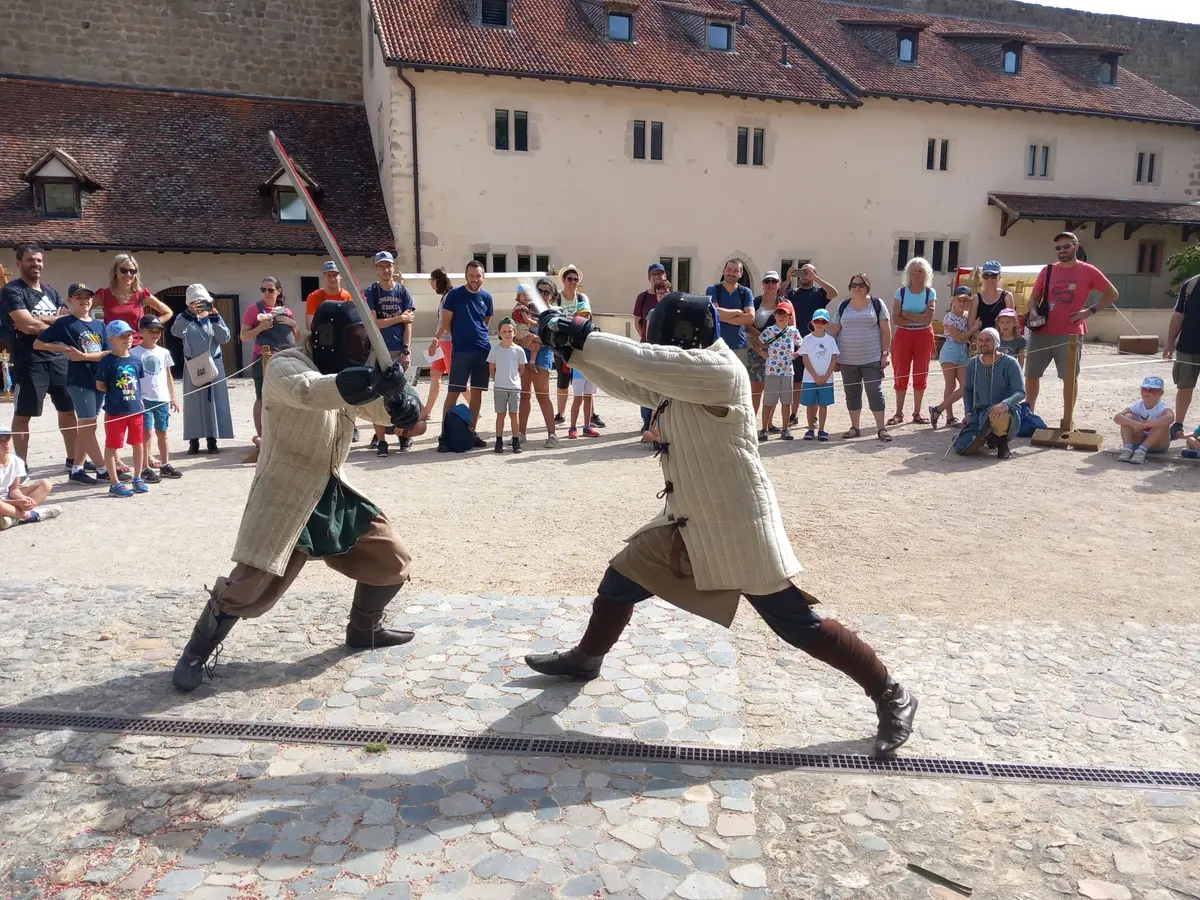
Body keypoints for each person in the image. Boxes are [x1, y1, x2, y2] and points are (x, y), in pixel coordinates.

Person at [526, 292, 918, 757]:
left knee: (796, 624)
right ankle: (587, 659)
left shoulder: (716, 369)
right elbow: (631, 381)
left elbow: (643, 359)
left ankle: (892, 692)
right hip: (688, 516)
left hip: (737, 522)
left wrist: (579, 333)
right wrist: (571, 349)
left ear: (679, 332)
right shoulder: (685, 373)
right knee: (621, 579)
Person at [170, 301, 426, 693]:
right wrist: (374, 381)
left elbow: (383, 410)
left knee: (392, 559)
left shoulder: (352, 375)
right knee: (246, 589)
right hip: (286, 493)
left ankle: (364, 629)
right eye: (356, 340)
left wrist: (402, 404)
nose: (361, 348)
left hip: (331, 489)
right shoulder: (285, 366)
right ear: (327, 339)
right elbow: (311, 392)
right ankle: (195, 651)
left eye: (364, 341)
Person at [1025, 231, 1118, 417]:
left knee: (1069, 377)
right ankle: (1029, 414)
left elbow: (1112, 294)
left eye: (1066, 246)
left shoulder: (1088, 270)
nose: (1062, 251)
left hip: (1070, 333)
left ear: (1076, 246)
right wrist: (1034, 312)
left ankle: (1067, 418)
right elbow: (1034, 297)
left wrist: (1088, 312)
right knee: (1031, 374)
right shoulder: (1048, 270)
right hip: (1042, 330)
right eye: (1058, 248)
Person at [1, 244, 77, 467]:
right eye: (30, 260)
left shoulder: (51, 291)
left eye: (39, 260)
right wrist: (54, 321)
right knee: (23, 415)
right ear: (19, 263)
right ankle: (20, 466)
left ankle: (74, 461)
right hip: (29, 361)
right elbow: (26, 325)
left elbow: (67, 319)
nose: (36, 264)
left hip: (59, 360)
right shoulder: (12, 291)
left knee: (68, 410)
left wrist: (42, 320)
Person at [32, 282, 110, 485]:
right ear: (70, 301)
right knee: (87, 424)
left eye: (87, 297)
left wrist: (84, 356)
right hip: (79, 380)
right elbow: (38, 343)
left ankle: (77, 468)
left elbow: (107, 352)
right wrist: (64, 350)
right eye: (79, 297)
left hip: (97, 378)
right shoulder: (65, 323)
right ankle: (102, 469)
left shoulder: (99, 325)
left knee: (89, 427)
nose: (84, 301)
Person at [240, 276, 299, 464]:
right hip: (262, 358)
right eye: (263, 289)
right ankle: (262, 437)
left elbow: (296, 338)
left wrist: (293, 324)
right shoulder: (253, 310)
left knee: (285, 399)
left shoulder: (286, 311)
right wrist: (260, 327)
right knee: (262, 397)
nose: (266, 293)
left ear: (278, 291)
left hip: (284, 359)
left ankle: (282, 437)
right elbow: (243, 336)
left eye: (270, 290)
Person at [172, 283, 234, 455]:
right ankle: (193, 441)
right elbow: (176, 332)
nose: (199, 305)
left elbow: (225, 338)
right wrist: (189, 314)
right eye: (195, 302)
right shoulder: (183, 318)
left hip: (214, 364)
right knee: (193, 403)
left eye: (202, 301)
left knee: (213, 401)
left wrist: (215, 318)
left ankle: (212, 439)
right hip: (194, 365)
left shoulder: (214, 318)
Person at [829, 274, 892, 442]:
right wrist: (833, 358)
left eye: (861, 285)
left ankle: (881, 428)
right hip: (847, 359)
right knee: (852, 394)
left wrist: (885, 354)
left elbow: (886, 331)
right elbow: (833, 332)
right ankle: (855, 427)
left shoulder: (877, 304)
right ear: (850, 287)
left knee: (875, 392)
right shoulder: (843, 306)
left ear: (867, 287)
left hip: (872, 358)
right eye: (854, 285)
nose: (857, 288)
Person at [365, 251, 415, 457]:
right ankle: (382, 439)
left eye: (389, 266)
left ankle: (402, 434)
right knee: (378, 393)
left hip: (396, 348)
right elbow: (374, 323)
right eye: (382, 266)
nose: (386, 270)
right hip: (378, 348)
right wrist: (399, 317)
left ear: (394, 268)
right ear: (377, 269)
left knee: (399, 393)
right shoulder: (372, 292)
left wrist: (406, 349)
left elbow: (409, 323)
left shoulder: (403, 292)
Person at [440, 259, 493, 447]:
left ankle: (471, 432)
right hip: (461, 350)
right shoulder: (454, 295)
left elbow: (486, 321)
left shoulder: (487, 297)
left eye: (478, 276)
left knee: (477, 394)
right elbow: (446, 322)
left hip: (482, 350)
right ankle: (444, 436)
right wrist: (458, 337)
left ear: (483, 277)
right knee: (453, 392)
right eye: (471, 276)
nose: (475, 279)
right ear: (466, 276)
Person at [95, 320, 149, 497]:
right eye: (122, 336)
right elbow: (100, 385)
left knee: (138, 444)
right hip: (115, 411)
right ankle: (114, 482)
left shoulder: (136, 359)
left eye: (129, 335)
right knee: (112, 446)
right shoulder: (107, 361)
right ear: (112, 339)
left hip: (135, 409)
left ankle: (138, 477)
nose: (128, 339)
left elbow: (138, 382)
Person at [953, 328, 1024, 460]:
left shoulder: (1010, 363)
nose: (983, 343)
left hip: (1005, 411)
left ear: (996, 342)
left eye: (987, 340)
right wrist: (968, 413)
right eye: (980, 340)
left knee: (998, 413)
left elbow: (1020, 391)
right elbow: (968, 389)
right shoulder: (972, 364)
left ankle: (1002, 444)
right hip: (979, 413)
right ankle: (989, 436)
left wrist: (1005, 404)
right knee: (963, 448)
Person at [783, 263, 839, 424]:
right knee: (797, 381)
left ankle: (813, 416)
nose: (805, 275)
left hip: (817, 342)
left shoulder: (819, 293)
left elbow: (834, 293)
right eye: (803, 272)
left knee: (814, 380)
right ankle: (793, 415)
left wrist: (816, 278)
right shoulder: (792, 293)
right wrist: (787, 279)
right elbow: (779, 296)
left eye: (808, 272)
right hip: (796, 341)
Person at [131, 315, 182, 481]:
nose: (155, 334)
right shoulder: (134, 353)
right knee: (146, 434)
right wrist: (136, 398)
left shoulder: (164, 352)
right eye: (151, 330)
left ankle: (165, 464)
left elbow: (168, 375)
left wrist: (173, 397)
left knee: (163, 432)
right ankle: (145, 466)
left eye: (158, 331)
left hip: (162, 398)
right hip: (144, 399)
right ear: (141, 332)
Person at [889, 257, 936, 426]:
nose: (917, 274)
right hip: (904, 336)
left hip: (923, 336)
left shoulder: (930, 293)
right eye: (914, 270)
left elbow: (928, 319)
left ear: (926, 273)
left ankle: (917, 412)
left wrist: (906, 314)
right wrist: (918, 318)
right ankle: (899, 412)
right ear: (909, 273)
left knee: (921, 372)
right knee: (900, 372)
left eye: (920, 270)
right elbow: (896, 318)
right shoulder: (900, 292)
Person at [555, 264, 602, 427]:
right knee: (563, 379)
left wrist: (570, 319)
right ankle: (560, 414)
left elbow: (586, 317)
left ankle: (592, 415)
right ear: (563, 280)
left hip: (579, 343)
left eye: (575, 279)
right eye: (570, 279)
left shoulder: (582, 298)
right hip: (562, 343)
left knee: (587, 379)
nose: (573, 282)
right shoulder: (557, 297)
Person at [512, 284, 558, 447]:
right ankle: (521, 433)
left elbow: (554, 338)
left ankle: (552, 434)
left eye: (547, 291)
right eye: (540, 291)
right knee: (524, 396)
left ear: (552, 295)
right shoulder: (525, 308)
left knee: (542, 395)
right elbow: (514, 334)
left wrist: (532, 339)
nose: (543, 294)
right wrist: (525, 340)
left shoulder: (554, 312)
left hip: (544, 352)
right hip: (524, 352)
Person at [94, 252, 173, 343]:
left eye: (132, 271)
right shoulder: (104, 295)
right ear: (115, 271)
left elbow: (168, 312)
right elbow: (82, 309)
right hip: (113, 347)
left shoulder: (141, 295)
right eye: (123, 270)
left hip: (137, 346)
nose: (128, 274)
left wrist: (150, 325)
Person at [757, 300, 802, 441]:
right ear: (775, 316)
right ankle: (764, 429)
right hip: (772, 370)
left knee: (786, 402)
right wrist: (761, 352)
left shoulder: (793, 332)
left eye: (785, 314)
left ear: (790, 318)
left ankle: (785, 429)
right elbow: (759, 341)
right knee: (768, 401)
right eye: (779, 313)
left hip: (787, 371)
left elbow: (802, 344)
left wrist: (797, 353)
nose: (782, 316)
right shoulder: (770, 330)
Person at [0, 427, 61, 530]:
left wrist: (22, 498)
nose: (6, 443)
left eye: (8, 439)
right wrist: (15, 503)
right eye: (0, 441)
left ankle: (13, 517)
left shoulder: (16, 461)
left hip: (7, 499)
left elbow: (14, 490)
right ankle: (28, 516)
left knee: (45, 484)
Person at [1164, 272, 1200, 441]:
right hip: (1188, 346)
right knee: (1184, 387)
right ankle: (1178, 424)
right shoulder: (1191, 284)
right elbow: (1179, 314)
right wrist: (1170, 343)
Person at [929, 287, 971, 429]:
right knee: (951, 384)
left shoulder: (967, 316)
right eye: (960, 300)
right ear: (953, 300)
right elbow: (958, 338)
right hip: (951, 349)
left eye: (965, 300)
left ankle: (938, 409)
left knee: (965, 386)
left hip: (963, 351)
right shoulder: (949, 318)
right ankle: (949, 416)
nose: (962, 303)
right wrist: (973, 329)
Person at [634, 263, 667, 436]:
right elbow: (638, 321)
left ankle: (658, 426)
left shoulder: (671, 296)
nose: (657, 277)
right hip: (648, 347)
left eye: (660, 274)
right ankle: (647, 423)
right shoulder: (643, 297)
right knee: (646, 386)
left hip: (666, 349)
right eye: (654, 274)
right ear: (649, 277)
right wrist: (647, 339)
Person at [705, 259, 755, 370]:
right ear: (723, 271)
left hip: (739, 346)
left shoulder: (745, 292)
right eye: (729, 270)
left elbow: (750, 318)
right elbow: (714, 313)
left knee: (739, 383)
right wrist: (738, 312)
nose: (731, 273)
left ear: (741, 274)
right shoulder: (713, 290)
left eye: (736, 271)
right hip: (716, 345)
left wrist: (722, 317)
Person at [798, 309, 839, 441]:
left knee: (823, 404)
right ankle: (810, 429)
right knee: (810, 405)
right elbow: (805, 359)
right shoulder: (807, 339)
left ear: (827, 324)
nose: (820, 323)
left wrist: (826, 375)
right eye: (817, 321)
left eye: (823, 321)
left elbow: (834, 360)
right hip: (810, 378)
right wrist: (815, 376)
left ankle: (821, 429)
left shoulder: (830, 340)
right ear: (812, 322)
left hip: (826, 379)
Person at [749, 271, 783, 427]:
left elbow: (788, 328)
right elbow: (747, 326)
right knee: (755, 389)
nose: (770, 285)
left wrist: (771, 344)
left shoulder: (783, 303)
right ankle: (751, 423)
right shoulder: (754, 302)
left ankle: (767, 424)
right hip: (755, 350)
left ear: (779, 284)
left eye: (773, 281)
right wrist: (762, 342)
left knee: (772, 390)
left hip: (777, 352)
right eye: (767, 281)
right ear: (763, 284)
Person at [1114, 375, 1173, 464]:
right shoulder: (1137, 405)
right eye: (1144, 389)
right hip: (1138, 441)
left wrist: (1149, 424)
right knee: (1127, 417)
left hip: (1157, 445)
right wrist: (1133, 423)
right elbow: (1117, 417)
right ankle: (1127, 449)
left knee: (1163, 423)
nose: (1147, 391)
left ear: (1161, 393)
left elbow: (1170, 418)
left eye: (1152, 390)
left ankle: (1142, 450)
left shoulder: (1162, 407)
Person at [421, 268, 455, 422]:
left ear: (436, 280)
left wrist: (435, 340)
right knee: (435, 375)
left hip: (447, 341)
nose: (430, 284)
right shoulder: (445, 297)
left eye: (431, 281)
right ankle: (427, 411)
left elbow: (445, 323)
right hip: (443, 341)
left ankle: (474, 406)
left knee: (455, 378)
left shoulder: (448, 297)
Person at [488, 318, 525, 453]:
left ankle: (516, 440)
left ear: (514, 332)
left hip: (514, 387)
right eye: (504, 331)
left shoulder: (519, 350)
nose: (507, 333)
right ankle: (499, 441)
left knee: (514, 414)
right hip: (500, 387)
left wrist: (514, 380)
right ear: (499, 333)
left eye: (510, 331)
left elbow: (521, 368)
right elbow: (491, 368)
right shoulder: (495, 350)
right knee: (500, 414)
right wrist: (497, 379)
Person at [968, 260, 1013, 336]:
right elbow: (970, 324)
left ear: (999, 277)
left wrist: (996, 340)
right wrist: (984, 339)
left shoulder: (1007, 296)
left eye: (993, 276)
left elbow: (1010, 322)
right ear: (982, 277)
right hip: (981, 341)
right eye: (986, 276)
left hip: (1001, 341)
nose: (989, 279)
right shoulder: (976, 298)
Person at [304, 261, 352, 330]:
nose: (332, 279)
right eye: (328, 275)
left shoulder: (347, 297)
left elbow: (351, 323)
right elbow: (310, 326)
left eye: (335, 275)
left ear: (340, 276)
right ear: (324, 277)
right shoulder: (314, 297)